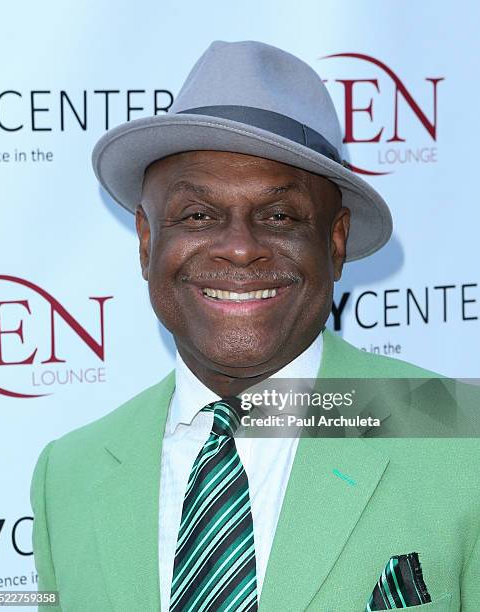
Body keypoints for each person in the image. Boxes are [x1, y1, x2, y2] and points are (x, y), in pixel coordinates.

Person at [31, 40, 478, 611]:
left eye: (279, 216)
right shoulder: (66, 474)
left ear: (334, 242)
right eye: (198, 215)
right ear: (147, 242)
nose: (241, 249)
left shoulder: (463, 435)